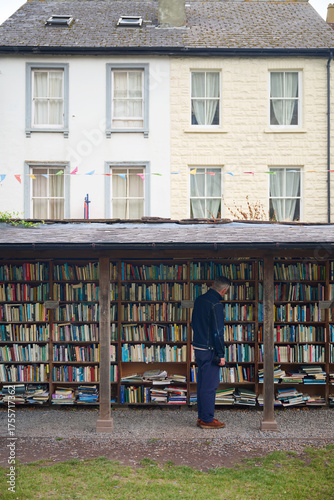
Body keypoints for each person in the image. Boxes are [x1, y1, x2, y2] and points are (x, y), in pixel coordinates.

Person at [191, 276, 231, 429]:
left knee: (202, 384)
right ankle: (207, 420)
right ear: (224, 290)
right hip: (210, 350)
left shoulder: (200, 300)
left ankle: (202, 417)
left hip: (199, 348)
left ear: (213, 285)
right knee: (210, 386)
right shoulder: (216, 305)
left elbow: (193, 323)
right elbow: (217, 333)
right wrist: (221, 355)